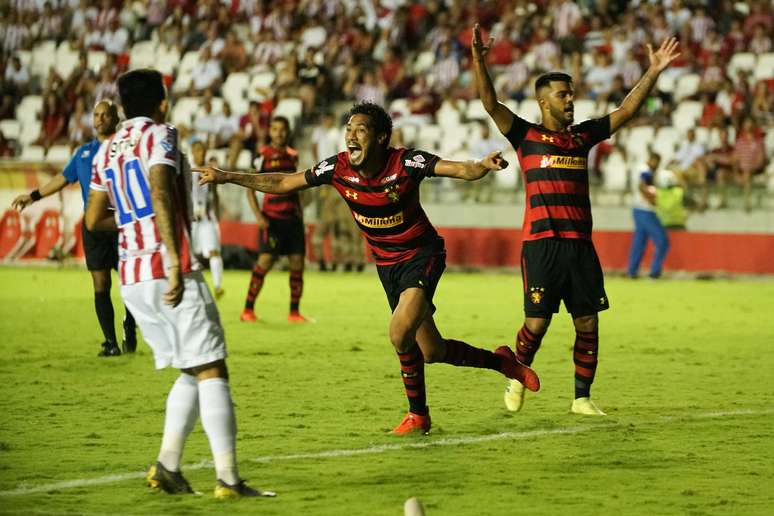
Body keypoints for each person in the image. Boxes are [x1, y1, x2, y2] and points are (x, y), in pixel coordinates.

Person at [195, 102, 540, 435]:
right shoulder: (337, 168)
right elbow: (285, 183)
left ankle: (418, 416)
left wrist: (481, 164)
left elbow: (460, 170)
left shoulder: (405, 162)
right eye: (348, 129)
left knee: (398, 332)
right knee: (432, 351)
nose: (351, 136)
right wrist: (227, 176)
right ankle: (503, 362)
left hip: (422, 255)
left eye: (361, 129)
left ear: (380, 139)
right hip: (387, 267)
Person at [472, 23, 680, 416]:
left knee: (588, 323)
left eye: (572, 94)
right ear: (543, 103)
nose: (571, 101)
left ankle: (581, 398)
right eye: (562, 95)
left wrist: (652, 71)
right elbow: (490, 103)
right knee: (536, 325)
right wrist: (479, 61)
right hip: (541, 246)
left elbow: (627, 110)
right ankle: (517, 374)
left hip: (580, 247)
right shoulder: (525, 136)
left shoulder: (582, 137)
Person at [84, 68, 273, 499]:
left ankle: (168, 466)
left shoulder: (106, 149)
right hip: (168, 269)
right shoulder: (161, 135)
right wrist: (171, 257)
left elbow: (94, 217)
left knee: (192, 366)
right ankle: (228, 479)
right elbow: (160, 191)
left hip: (132, 278)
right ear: (161, 103)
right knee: (212, 367)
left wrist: (134, 224)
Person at [12, 100, 137, 357]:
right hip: (93, 226)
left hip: (122, 224)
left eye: (105, 114)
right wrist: (33, 196)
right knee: (100, 284)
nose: (100, 119)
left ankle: (130, 323)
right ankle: (111, 343)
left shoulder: (126, 149)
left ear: (115, 118)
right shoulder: (83, 153)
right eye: (96, 114)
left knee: (130, 284)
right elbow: (62, 178)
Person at [240, 116, 309, 323]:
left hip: (293, 220)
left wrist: (300, 215)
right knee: (265, 261)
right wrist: (259, 217)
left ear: (287, 132)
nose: (279, 133)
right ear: (270, 132)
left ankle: (294, 312)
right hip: (272, 220)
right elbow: (249, 188)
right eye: (275, 129)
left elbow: (296, 188)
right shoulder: (262, 155)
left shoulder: (293, 156)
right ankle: (248, 309)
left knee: (297, 264)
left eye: (282, 129)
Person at [189, 140, 224, 298]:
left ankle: (217, 286)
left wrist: (216, 214)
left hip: (206, 218)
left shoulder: (210, 171)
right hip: (191, 218)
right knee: (190, 254)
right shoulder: (187, 170)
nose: (201, 153)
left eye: (203, 150)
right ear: (192, 151)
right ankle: (191, 288)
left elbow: (214, 193)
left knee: (214, 252)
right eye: (197, 150)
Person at [627, 152, 669, 279]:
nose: (657, 165)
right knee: (662, 240)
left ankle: (632, 272)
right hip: (645, 210)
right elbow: (642, 185)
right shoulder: (645, 170)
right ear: (651, 160)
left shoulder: (642, 169)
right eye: (656, 162)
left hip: (638, 209)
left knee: (639, 242)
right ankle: (654, 272)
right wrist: (651, 199)